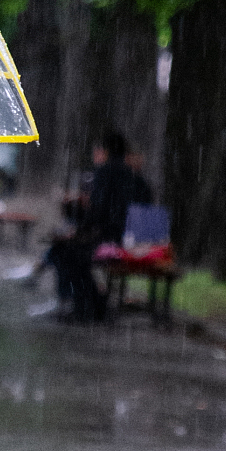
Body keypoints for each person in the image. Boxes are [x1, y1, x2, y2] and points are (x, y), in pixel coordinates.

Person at [13, 130, 154, 319]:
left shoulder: (106, 173)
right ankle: (89, 303)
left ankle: (75, 304)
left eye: (98, 150)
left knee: (65, 252)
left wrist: (79, 230)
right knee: (67, 250)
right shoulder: (137, 178)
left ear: (105, 151)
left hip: (114, 242)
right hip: (136, 242)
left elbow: (99, 212)